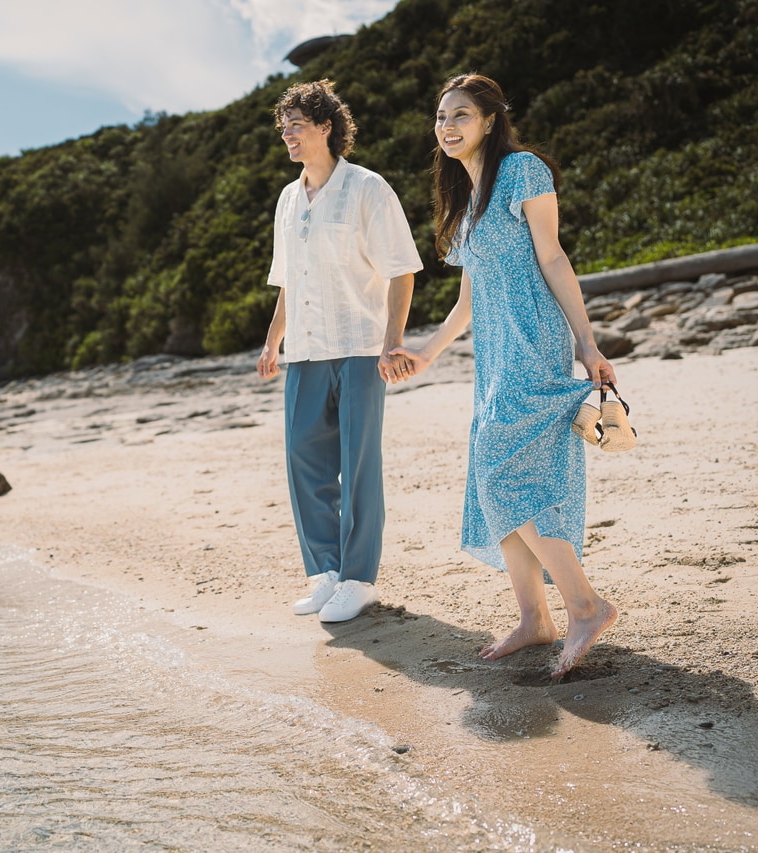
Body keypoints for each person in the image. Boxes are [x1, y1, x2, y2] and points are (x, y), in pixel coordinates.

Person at [387, 73, 618, 677]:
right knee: (499, 475)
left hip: (534, 338)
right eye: (441, 118)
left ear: (490, 120)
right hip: (492, 354)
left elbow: (553, 256)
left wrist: (589, 344)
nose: (448, 127)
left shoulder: (523, 171)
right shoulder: (466, 201)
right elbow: (467, 302)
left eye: (461, 115)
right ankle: (534, 620)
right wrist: (426, 354)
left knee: (500, 471)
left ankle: (586, 607)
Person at [258, 79, 423, 623]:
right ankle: (324, 572)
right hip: (305, 351)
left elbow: (401, 268)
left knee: (357, 464)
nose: (288, 135)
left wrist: (391, 340)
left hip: (359, 346)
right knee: (304, 459)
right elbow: (288, 280)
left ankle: (358, 578)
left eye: (297, 126)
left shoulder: (368, 188)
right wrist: (272, 340)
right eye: (284, 127)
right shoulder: (287, 197)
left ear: (326, 127)